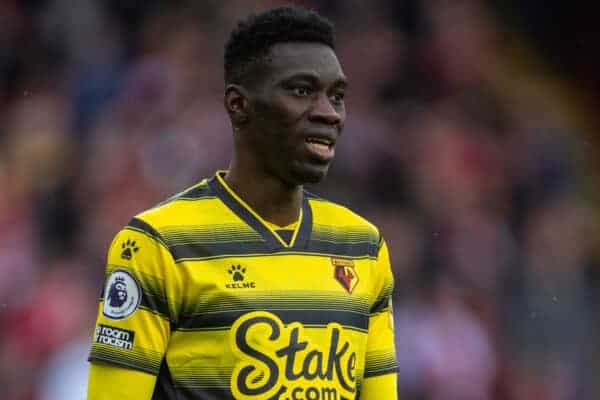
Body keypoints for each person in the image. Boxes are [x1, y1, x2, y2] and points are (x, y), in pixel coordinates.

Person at [87, 6, 398, 399]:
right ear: (239, 104)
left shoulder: (362, 247)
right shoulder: (160, 244)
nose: (328, 113)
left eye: (336, 96)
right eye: (302, 90)